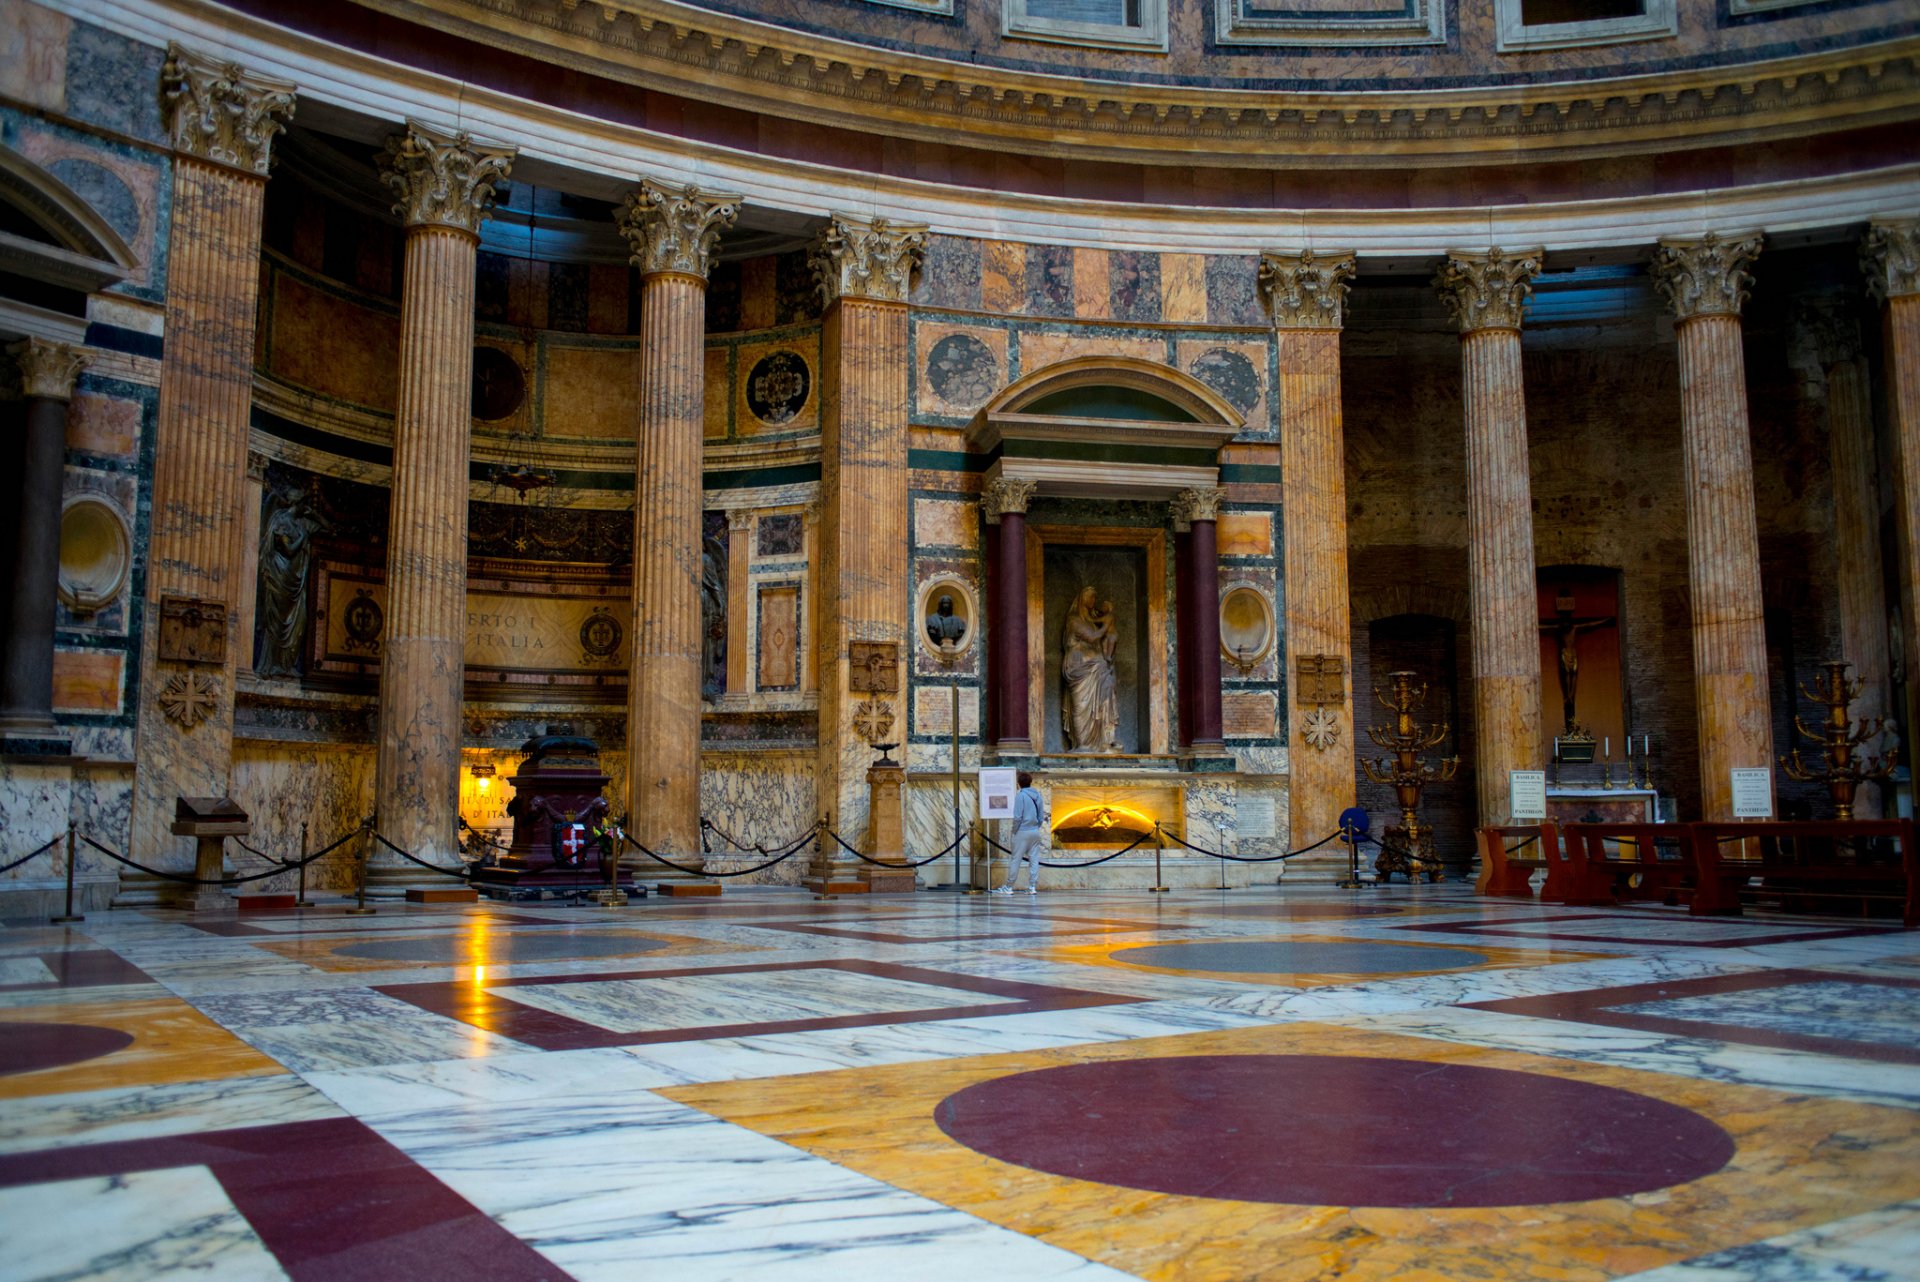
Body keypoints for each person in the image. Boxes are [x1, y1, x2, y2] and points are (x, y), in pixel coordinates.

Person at [1062, 585, 1120, 752]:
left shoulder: (1093, 619)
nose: (1093, 600)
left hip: (1097, 665)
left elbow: (1104, 641)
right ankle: (1083, 744)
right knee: (1081, 705)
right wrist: (1106, 624)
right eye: (1090, 596)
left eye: (1095, 597)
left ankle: (1105, 739)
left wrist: (1110, 634)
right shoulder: (1074, 619)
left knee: (1106, 691)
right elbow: (1092, 636)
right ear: (1081, 598)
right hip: (1079, 666)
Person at [994, 771, 1047, 895]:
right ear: (1030, 782)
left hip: (1022, 831)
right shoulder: (1037, 795)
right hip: (1034, 831)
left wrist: (1015, 830)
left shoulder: (1020, 796)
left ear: (1018, 784)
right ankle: (1032, 886)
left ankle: (1009, 886)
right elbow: (1040, 816)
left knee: (1016, 859)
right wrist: (1035, 826)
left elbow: (1017, 817)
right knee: (1034, 859)